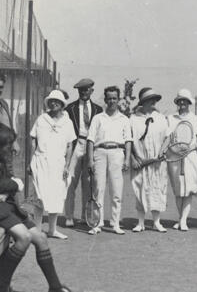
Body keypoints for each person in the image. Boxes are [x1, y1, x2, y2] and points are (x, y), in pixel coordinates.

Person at [0, 123, 82, 292]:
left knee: (41, 238)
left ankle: (55, 290)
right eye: (7, 145)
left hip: (1, 204)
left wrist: (6, 188)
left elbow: (2, 182)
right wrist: (15, 185)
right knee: (24, 237)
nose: (11, 148)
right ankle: (0, 290)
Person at [29, 90, 76, 240]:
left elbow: (69, 146)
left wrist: (67, 165)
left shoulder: (67, 123)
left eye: (57, 101)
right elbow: (33, 140)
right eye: (51, 101)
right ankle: (36, 229)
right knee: (39, 196)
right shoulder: (41, 119)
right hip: (41, 161)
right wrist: (31, 160)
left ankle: (52, 230)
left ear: (62, 104)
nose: (53, 103)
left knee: (56, 196)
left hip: (58, 164)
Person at [87, 86, 132, 235]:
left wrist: (127, 159)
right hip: (100, 153)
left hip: (117, 153)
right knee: (98, 189)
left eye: (114, 98)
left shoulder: (124, 119)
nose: (112, 101)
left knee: (116, 190)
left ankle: (115, 223)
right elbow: (91, 140)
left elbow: (128, 141)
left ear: (118, 100)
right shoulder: (98, 118)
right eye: (109, 98)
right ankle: (97, 223)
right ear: (105, 100)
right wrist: (90, 160)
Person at [129, 87, 170, 233]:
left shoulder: (161, 118)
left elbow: (167, 137)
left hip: (157, 163)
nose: (154, 102)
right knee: (140, 190)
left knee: (157, 190)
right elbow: (128, 141)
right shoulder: (133, 119)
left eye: (155, 100)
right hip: (141, 162)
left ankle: (156, 222)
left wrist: (162, 152)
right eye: (150, 100)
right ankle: (140, 223)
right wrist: (133, 158)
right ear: (143, 102)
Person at [64, 78, 103, 227]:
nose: (84, 92)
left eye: (86, 90)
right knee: (70, 181)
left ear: (91, 91)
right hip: (75, 144)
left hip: (91, 146)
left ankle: (85, 216)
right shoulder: (70, 108)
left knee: (89, 183)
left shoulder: (99, 110)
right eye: (81, 90)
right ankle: (68, 216)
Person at [167, 89, 197, 231]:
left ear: (189, 102)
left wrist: (190, 148)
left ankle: (183, 221)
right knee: (178, 190)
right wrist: (175, 149)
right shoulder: (171, 118)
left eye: (185, 100)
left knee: (188, 189)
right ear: (177, 102)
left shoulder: (195, 119)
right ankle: (181, 218)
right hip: (174, 156)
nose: (182, 103)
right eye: (180, 100)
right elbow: (168, 138)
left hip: (190, 157)